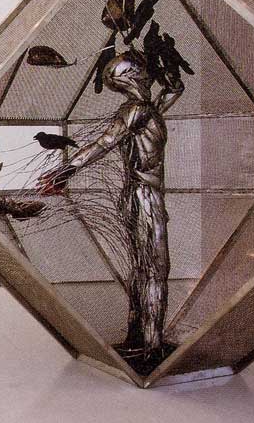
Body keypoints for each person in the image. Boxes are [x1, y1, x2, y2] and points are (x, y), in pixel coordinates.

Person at [37, 49, 182, 363]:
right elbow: (103, 143)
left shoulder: (146, 109)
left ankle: (139, 338)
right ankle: (152, 346)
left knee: (144, 268)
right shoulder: (137, 110)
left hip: (140, 196)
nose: (149, 72)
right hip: (144, 197)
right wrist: (65, 171)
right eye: (143, 68)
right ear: (133, 76)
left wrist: (169, 66)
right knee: (155, 270)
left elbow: (173, 90)